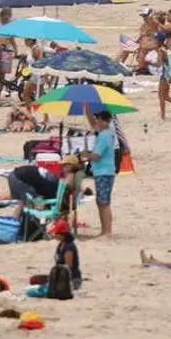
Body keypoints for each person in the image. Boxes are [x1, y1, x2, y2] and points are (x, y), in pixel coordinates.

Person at [80, 107, 118, 239]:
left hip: (104, 172)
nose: (96, 122)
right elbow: (93, 124)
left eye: (99, 120)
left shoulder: (104, 136)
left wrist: (85, 155)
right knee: (101, 201)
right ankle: (104, 230)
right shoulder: (108, 132)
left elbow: (96, 156)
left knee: (104, 202)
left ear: (104, 121)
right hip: (103, 171)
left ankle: (107, 231)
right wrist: (86, 110)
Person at [51, 219, 83, 290]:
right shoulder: (61, 244)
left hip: (72, 279)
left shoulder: (69, 247)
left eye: (56, 233)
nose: (54, 235)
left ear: (62, 235)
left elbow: (68, 268)